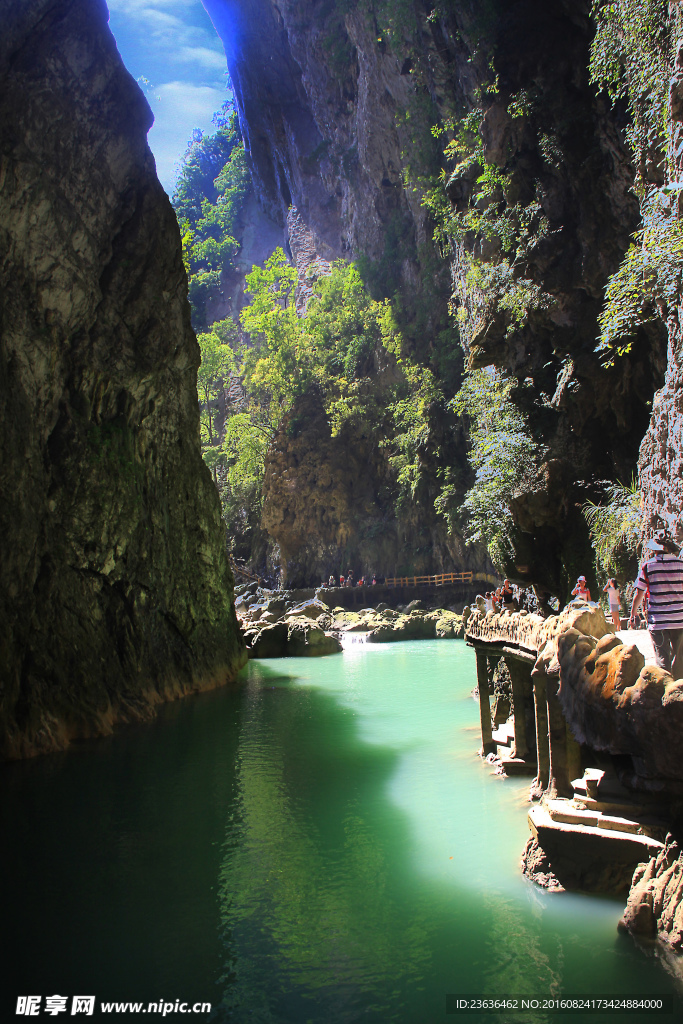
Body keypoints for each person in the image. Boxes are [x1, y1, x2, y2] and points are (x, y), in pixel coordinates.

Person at [629, 528, 683, 677]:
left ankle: (666, 691)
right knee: (680, 659)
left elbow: (639, 594)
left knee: (662, 658)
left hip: (658, 622)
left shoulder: (648, 566)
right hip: (680, 620)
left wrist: (633, 615)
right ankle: (679, 691)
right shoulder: (681, 565)